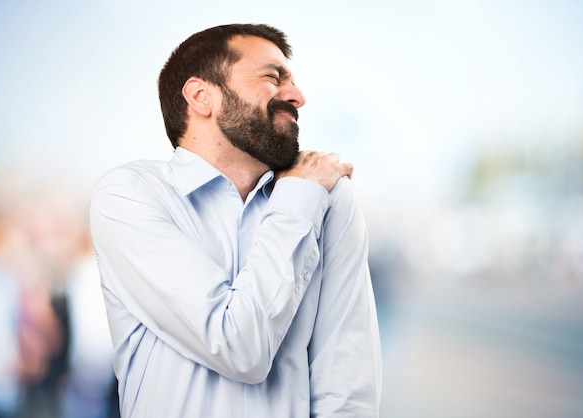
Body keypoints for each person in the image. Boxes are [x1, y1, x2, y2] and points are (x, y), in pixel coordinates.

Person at [90, 23, 382, 417]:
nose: (297, 96)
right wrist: (298, 200)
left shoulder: (330, 199)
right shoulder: (130, 196)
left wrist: (308, 194)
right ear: (201, 96)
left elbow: (346, 386)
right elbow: (237, 346)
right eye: (272, 77)